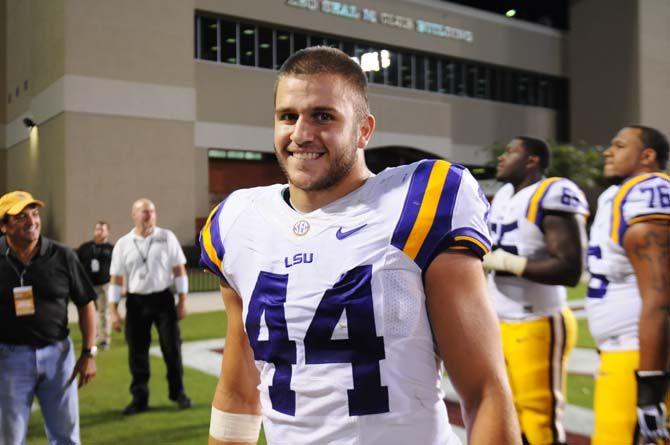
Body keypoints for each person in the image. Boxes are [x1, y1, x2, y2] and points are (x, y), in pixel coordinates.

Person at [201, 46, 520, 445]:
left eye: (322, 116)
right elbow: (239, 393)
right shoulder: (239, 222)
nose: (301, 134)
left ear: (364, 130)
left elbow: (485, 389)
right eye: (288, 116)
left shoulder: (416, 204)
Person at [482, 137, 589, 444]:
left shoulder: (553, 192)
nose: (502, 158)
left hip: (536, 321)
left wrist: (508, 262)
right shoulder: (503, 194)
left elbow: (569, 269)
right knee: (506, 416)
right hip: (499, 320)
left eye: (510, 152)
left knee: (539, 422)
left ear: (532, 160)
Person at [585, 125, 670, 445]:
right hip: (622, 350)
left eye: (619, 145)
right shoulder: (616, 195)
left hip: (640, 354)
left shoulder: (649, 192)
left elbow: (661, 298)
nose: (608, 151)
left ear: (647, 156)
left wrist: (650, 389)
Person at [0, 191, 98, 445]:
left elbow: (86, 303)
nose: (31, 221)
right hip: (8, 360)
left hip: (58, 357)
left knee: (65, 436)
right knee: (9, 438)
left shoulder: (63, 255)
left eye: (34, 213)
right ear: (4, 226)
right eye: (20, 216)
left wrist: (89, 353)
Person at [108, 198, 191, 415]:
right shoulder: (123, 243)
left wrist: (182, 301)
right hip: (136, 302)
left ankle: (178, 392)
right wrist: (113, 311)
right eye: (145, 212)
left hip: (163, 300)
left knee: (171, 348)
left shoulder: (167, 237)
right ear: (134, 215)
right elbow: (116, 279)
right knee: (137, 352)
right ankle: (139, 399)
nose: (150, 215)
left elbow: (179, 271)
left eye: (152, 211)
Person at [77, 221, 114, 350]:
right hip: (88, 286)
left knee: (104, 312)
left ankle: (104, 339)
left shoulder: (111, 249)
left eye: (102, 230)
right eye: (97, 229)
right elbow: (76, 264)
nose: (99, 232)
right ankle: (93, 337)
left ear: (107, 232)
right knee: (89, 313)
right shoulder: (85, 248)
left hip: (104, 285)